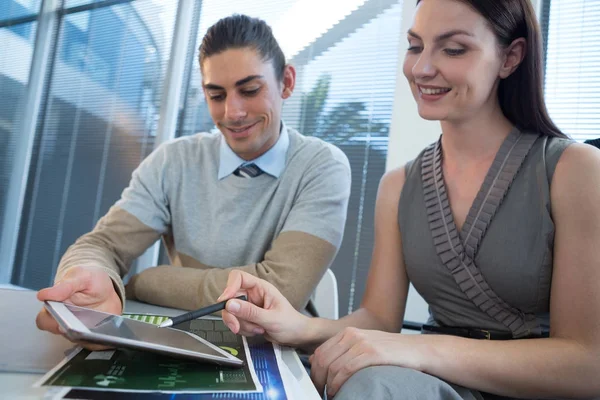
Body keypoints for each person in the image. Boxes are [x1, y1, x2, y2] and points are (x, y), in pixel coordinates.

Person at [216, 1, 600, 399]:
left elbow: (589, 364)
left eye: (453, 49)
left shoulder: (574, 170)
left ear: (511, 57)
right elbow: (379, 320)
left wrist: (418, 348)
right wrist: (298, 327)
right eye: (416, 46)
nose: (421, 69)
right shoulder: (399, 185)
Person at [36, 15, 351, 338]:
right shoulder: (174, 161)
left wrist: (147, 282)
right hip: (185, 335)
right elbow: (103, 245)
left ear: (286, 81)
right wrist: (89, 275)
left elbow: (279, 291)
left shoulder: (322, 165)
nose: (233, 112)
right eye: (217, 95)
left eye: (250, 89)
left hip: (278, 350)